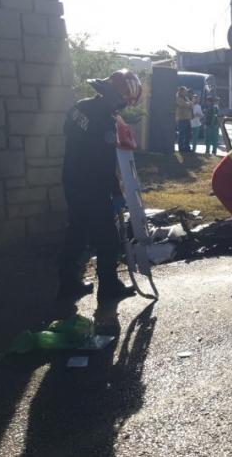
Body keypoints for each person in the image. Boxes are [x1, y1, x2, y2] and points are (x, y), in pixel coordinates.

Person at [57, 69, 142, 302]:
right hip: (92, 184)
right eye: (123, 102)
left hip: (71, 178)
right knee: (108, 239)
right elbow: (103, 163)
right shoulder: (105, 120)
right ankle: (108, 288)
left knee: (77, 230)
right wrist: (115, 192)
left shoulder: (80, 106)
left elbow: (67, 132)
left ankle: (68, 284)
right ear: (117, 95)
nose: (122, 107)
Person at [175, 86, 193, 152]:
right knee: (182, 134)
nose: (186, 93)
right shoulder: (178, 98)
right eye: (185, 91)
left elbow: (192, 104)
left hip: (188, 118)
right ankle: (181, 148)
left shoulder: (186, 98)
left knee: (188, 134)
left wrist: (189, 104)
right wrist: (189, 104)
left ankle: (187, 147)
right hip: (181, 119)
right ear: (181, 91)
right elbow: (184, 104)